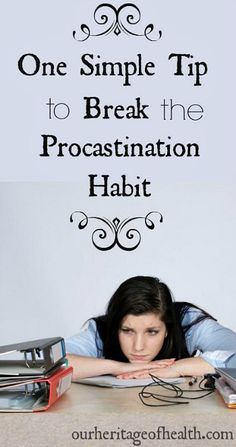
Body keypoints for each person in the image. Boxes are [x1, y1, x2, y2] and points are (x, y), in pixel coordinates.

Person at [66, 276, 236, 379]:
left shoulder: (188, 322)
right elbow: (49, 365)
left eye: (152, 332)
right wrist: (118, 367)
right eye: (127, 331)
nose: (138, 347)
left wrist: (179, 368)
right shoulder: (102, 329)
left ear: (168, 328)